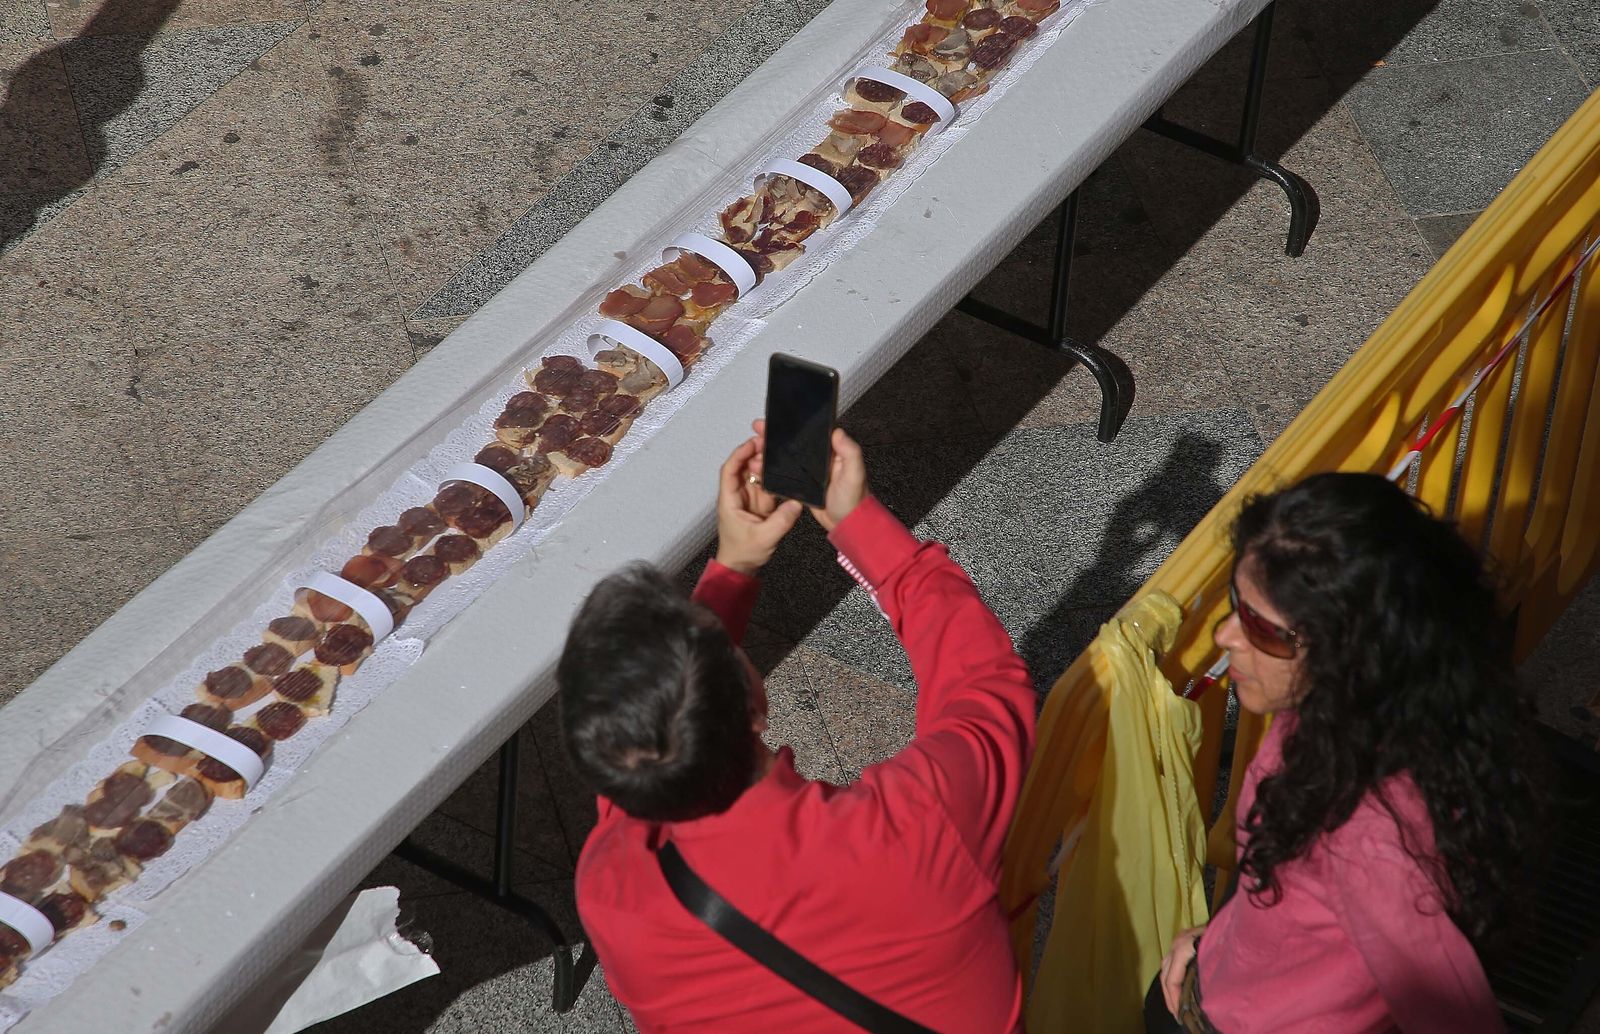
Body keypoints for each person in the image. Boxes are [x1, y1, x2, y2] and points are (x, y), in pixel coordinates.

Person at [558, 422, 1036, 1032]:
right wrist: (855, 523)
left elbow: (640, 749)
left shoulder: (611, 891)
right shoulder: (918, 828)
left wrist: (736, 565)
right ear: (756, 703)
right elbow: (985, 686)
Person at [1147, 472, 1541, 1034]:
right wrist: (1213, 940)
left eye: (1264, 629)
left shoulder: (1372, 843)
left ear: (1350, 651)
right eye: (1238, 602)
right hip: (1218, 984)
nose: (1226, 635)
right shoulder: (1348, 714)